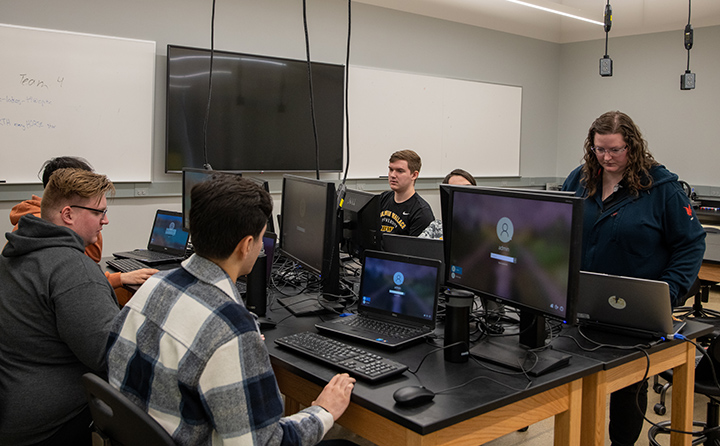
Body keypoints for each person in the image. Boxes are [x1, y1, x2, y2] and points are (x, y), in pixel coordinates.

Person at [106, 173, 356, 445]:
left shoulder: (152, 286)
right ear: (247, 245)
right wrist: (323, 410)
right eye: (261, 239)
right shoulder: (232, 330)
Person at [561, 110, 706, 446]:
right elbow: (560, 229)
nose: (607, 157)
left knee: (627, 391)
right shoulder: (580, 179)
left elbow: (691, 243)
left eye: (616, 150)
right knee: (575, 380)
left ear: (633, 146)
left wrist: (668, 292)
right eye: (600, 149)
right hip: (583, 302)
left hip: (634, 312)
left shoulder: (661, 187)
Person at [0, 168, 121, 445]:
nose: (106, 221)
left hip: (13, 401)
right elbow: (109, 354)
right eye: (98, 213)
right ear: (68, 214)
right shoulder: (73, 269)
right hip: (50, 422)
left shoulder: (17, 251)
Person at [9, 156, 157, 305]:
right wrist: (119, 279)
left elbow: (90, 260)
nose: (105, 221)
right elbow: (76, 276)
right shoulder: (41, 234)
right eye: (97, 212)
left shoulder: (30, 231)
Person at [379, 149, 435, 236]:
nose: (393, 175)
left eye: (400, 171)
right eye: (391, 170)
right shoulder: (383, 198)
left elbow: (414, 248)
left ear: (414, 175)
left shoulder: (421, 212)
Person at [419, 168, 476, 239]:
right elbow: (417, 248)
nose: (463, 194)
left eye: (468, 188)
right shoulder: (436, 227)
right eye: (456, 189)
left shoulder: (484, 228)